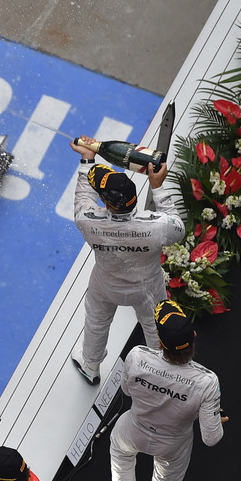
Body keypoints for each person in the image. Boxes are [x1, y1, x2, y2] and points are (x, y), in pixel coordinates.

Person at [110, 300, 226, 481]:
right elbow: (211, 438)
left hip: (134, 429)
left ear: (160, 343)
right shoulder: (207, 381)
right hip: (173, 444)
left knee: (120, 456)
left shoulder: (138, 356)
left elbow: (127, 391)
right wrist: (211, 418)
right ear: (194, 339)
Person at [68, 137, 185, 384]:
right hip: (147, 289)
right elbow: (179, 228)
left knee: (96, 323)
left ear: (106, 203)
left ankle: (91, 365)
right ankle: (161, 370)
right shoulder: (157, 226)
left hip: (105, 285)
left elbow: (83, 198)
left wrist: (87, 159)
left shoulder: (86, 220)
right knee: (154, 328)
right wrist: (158, 187)